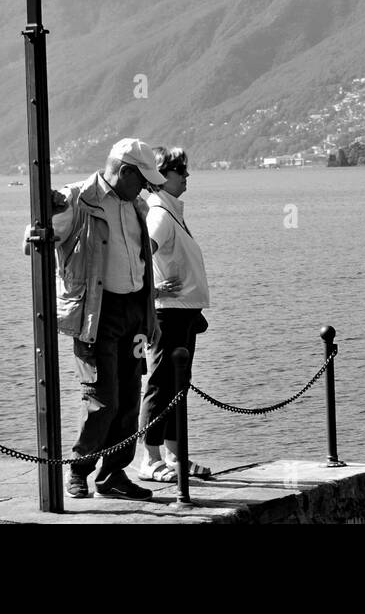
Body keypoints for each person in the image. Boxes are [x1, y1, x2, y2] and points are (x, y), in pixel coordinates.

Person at [32, 137, 165, 500]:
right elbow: (36, 237)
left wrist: (148, 315)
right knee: (101, 401)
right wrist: (36, 230)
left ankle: (113, 474)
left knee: (129, 400)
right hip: (96, 314)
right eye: (142, 179)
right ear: (124, 171)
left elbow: (141, 264)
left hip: (134, 313)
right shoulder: (77, 200)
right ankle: (79, 469)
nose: (147, 187)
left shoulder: (135, 205)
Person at [137, 147, 214, 481]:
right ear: (161, 176)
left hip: (182, 312)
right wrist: (153, 290)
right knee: (161, 383)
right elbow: (138, 259)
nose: (186, 176)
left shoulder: (171, 212)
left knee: (178, 386)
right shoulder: (159, 215)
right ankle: (150, 459)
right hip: (168, 313)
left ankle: (173, 456)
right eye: (180, 170)